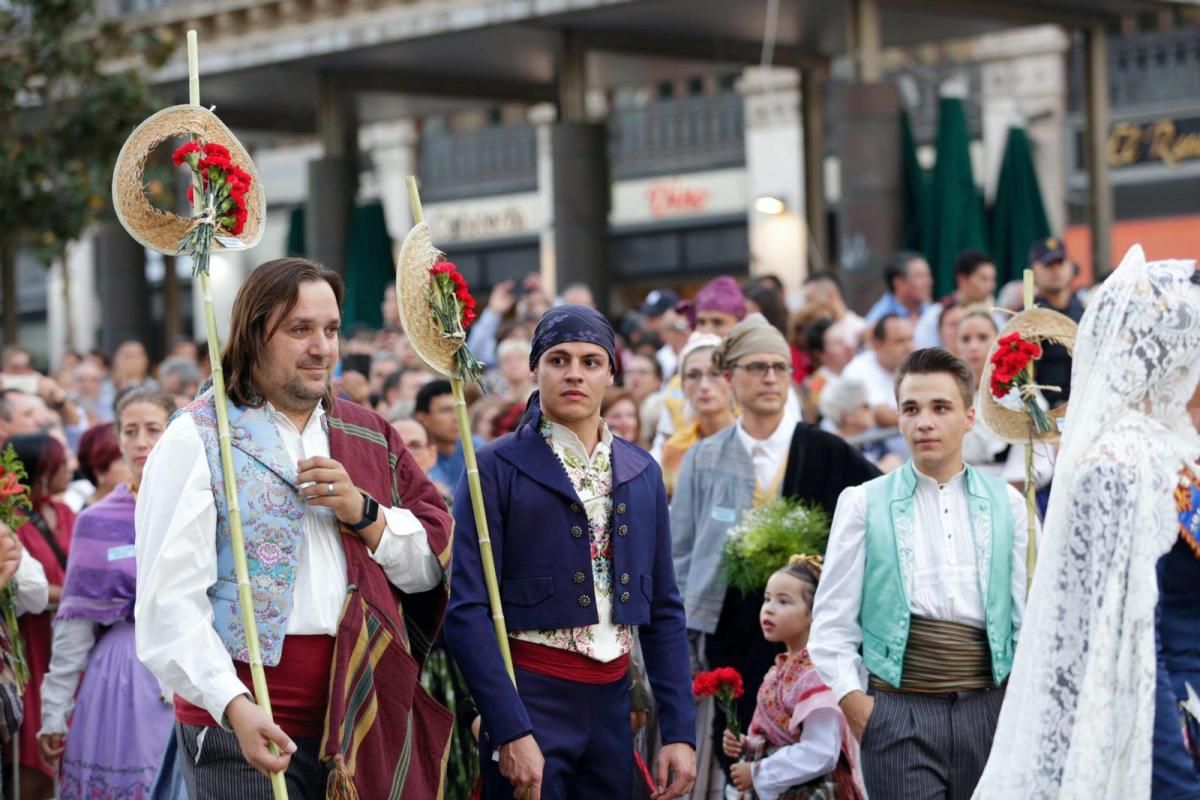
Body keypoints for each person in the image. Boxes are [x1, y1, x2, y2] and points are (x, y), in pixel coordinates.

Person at [135, 258, 453, 798]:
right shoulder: (197, 436)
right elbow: (167, 606)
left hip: (360, 714)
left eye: (330, 330)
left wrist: (364, 512)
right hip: (239, 720)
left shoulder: (369, 433)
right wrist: (233, 704)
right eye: (299, 329)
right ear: (256, 335)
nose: (322, 347)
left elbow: (430, 568)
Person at [972, 246, 1200, 798]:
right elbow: (1123, 649)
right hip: (1157, 720)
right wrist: (1175, 776)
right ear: (1173, 352)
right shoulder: (1115, 465)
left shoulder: (1178, 446)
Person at [443, 304, 696, 800]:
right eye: (558, 360)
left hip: (614, 704)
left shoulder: (641, 470)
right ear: (535, 369)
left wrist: (680, 732)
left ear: (611, 373)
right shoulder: (492, 467)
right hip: (531, 693)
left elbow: (664, 610)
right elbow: (466, 610)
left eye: (590, 361)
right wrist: (510, 728)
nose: (574, 373)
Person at [671, 315, 879, 795]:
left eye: (780, 368)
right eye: (757, 367)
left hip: (814, 641)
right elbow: (679, 554)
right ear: (729, 377)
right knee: (739, 755)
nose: (769, 378)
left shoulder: (828, 452)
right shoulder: (704, 458)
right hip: (731, 637)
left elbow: (876, 525)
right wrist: (683, 637)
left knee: (816, 758)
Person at [810, 347, 1030, 800]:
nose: (923, 422)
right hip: (897, 710)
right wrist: (857, 705)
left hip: (989, 709)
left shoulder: (1007, 504)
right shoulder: (862, 502)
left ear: (970, 417)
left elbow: (1028, 618)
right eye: (910, 409)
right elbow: (831, 622)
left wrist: (1017, 707)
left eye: (940, 407)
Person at [38, 389, 177, 798]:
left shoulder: (205, 506)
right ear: (117, 438)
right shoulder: (96, 521)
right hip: (121, 673)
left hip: (189, 664)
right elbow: (75, 623)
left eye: (153, 429)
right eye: (130, 431)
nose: (141, 441)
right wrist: (54, 712)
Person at [721, 556, 866, 799]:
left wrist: (759, 772)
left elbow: (821, 752)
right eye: (767, 599)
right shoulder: (780, 670)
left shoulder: (818, 674)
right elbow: (781, 739)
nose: (768, 608)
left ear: (814, 612)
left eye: (783, 601)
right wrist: (747, 744)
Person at [3, 433, 75, 800]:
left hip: (69, 640)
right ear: (42, 471)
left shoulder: (66, 512)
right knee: (30, 753)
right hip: (33, 641)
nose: (70, 467)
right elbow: (20, 587)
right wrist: (74, 596)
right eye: (61, 462)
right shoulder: (11, 520)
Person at [955, 307, 1053, 489]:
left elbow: (1034, 469)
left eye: (982, 338)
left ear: (997, 342)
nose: (973, 347)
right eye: (965, 339)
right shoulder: (948, 395)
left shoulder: (1023, 395)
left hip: (1010, 494)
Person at [659, 333, 735, 499]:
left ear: (731, 379)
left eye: (715, 373)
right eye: (693, 375)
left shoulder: (752, 440)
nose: (704, 386)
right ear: (683, 386)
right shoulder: (674, 449)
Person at [1030, 236, 1085, 408]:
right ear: (1033, 271)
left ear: (1070, 266)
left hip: (1084, 406)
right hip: (1047, 411)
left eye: (1060, 263)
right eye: (1048, 265)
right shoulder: (1028, 316)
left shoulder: (1085, 310)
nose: (1055, 271)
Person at [841, 315, 915, 430]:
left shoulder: (917, 365)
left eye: (910, 339)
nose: (909, 347)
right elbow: (882, 416)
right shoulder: (858, 368)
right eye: (900, 341)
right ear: (877, 344)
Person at [914, 250, 997, 348]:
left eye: (992, 279)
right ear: (962, 279)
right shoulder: (934, 315)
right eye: (984, 279)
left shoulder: (996, 315)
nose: (991, 286)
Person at [416, 379, 485, 491]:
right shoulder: (416, 454)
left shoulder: (477, 447)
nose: (456, 417)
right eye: (446, 411)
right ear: (422, 418)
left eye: (459, 409)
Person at [864, 252, 933, 324]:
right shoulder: (878, 319)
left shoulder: (932, 311)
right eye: (919, 276)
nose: (928, 282)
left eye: (928, 275)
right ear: (898, 283)